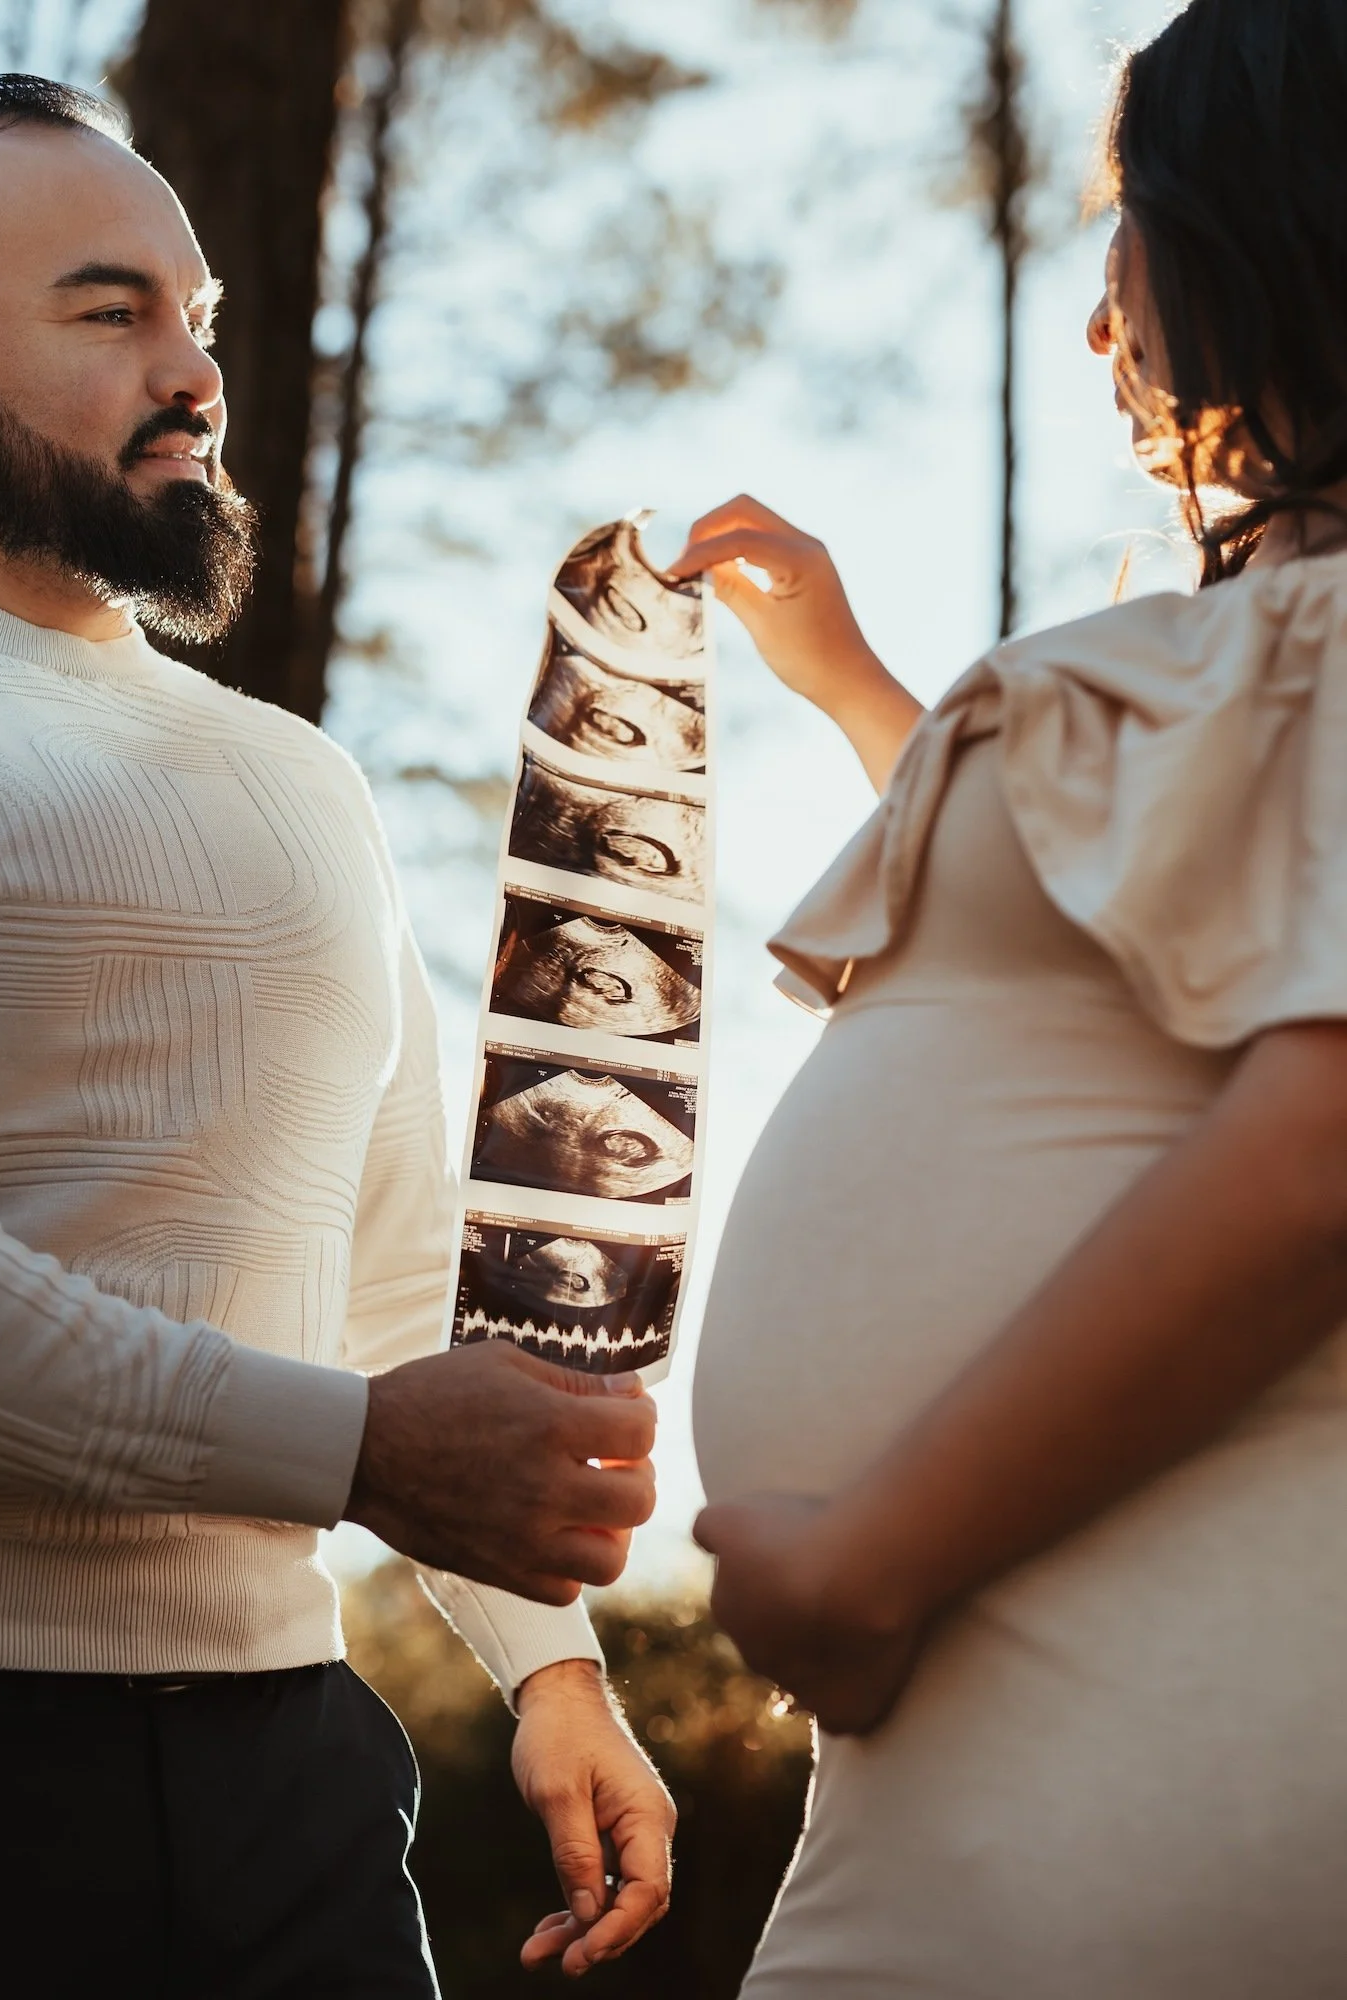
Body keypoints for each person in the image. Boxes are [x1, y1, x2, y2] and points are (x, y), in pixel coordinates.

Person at [0, 74, 673, 1995]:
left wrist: (549, 1666)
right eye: (112, 313)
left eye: (206, 323)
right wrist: (344, 1449)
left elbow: (398, 1271)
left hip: (299, 1787)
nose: (195, 374)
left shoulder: (300, 777)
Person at [673, 1, 1347, 1993]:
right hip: (998, 1728)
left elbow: (1321, 1148)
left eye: (1124, 215)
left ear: (1262, 223)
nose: (1095, 313)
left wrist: (875, 1554)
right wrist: (860, 684)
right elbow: (1110, 930)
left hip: (1111, 1714)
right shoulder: (1268, 649)